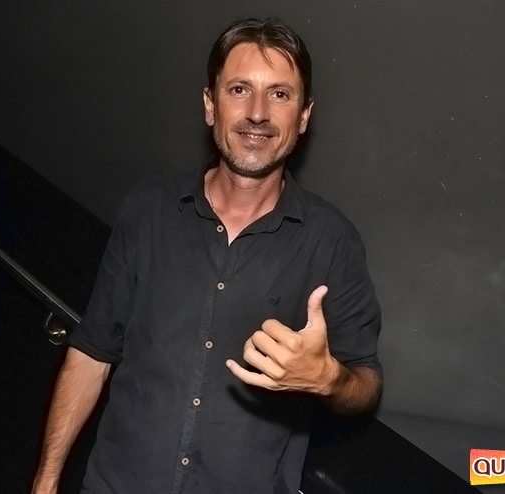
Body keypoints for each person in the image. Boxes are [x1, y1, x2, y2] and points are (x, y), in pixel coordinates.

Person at [31, 16, 383, 494]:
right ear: (210, 105)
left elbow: (366, 384)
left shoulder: (333, 242)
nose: (257, 113)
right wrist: (47, 479)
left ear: (303, 116)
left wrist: (329, 379)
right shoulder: (148, 212)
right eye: (239, 90)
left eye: (279, 94)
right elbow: (92, 352)